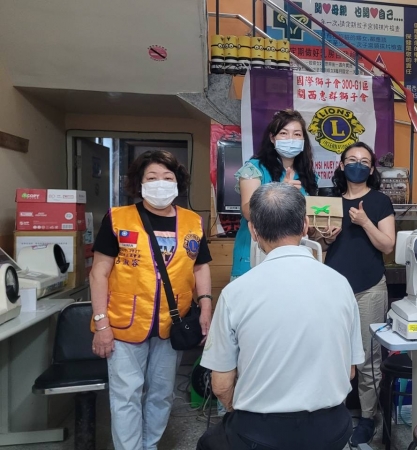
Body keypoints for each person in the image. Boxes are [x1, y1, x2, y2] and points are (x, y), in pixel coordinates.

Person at [197, 183, 364, 450]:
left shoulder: (235, 293)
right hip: (330, 431)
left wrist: (241, 412)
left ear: (253, 231)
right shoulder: (340, 284)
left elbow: (221, 385)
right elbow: (350, 371)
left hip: (260, 433)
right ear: (305, 225)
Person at [90, 150, 213, 450]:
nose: (160, 183)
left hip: (172, 324)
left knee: (162, 393)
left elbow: (200, 267)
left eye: (167, 178)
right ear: (140, 183)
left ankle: (150, 444)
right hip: (124, 323)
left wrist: (206, 307)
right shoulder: (118, 218)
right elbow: (99, 273)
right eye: (152, 177)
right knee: (126, 395)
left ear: (177, 183)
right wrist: (101, 323)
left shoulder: (193, 222)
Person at [324, 142, 395, 445]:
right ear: (341, 165)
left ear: (371, 168)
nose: (357, 165)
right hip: (332, 289)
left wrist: (365, 222)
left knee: (369, 358)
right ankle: (332, 412)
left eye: (364, 161)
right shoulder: (328, 201)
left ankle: (368, 417)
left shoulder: (379, 201)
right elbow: (317, 244)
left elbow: (387, 245)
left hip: (370, 287)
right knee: (333, 354)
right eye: (351, 160)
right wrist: (326, 239)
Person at [231, 109, 321, 279]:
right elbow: (248, 211)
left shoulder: (309, 176)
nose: (291, 139)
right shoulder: (254, 168)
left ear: (303, 140)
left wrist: (323, 228)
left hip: (295, 258)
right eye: (284, 133)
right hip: (255, 255)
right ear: (272, 138)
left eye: (297, 134)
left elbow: (307, 219)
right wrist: (280, 191)